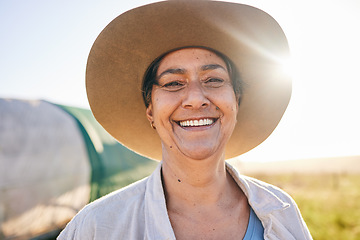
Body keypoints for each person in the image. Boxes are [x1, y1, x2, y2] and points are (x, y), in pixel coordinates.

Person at [58, 1, 312, 239]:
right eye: (173, 83)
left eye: (213, 80)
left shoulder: (281, 212)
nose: (195, 99)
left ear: (236, 102)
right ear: (151, 113)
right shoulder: (97, 226)